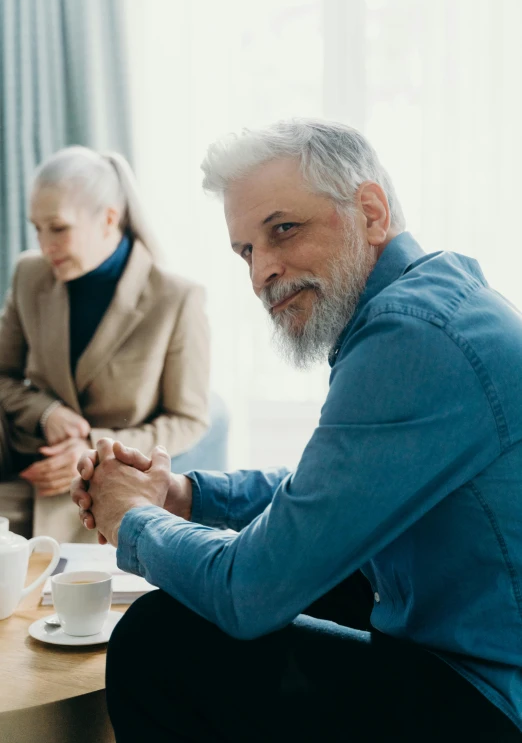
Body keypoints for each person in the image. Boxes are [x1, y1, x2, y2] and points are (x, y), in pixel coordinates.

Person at [72, 120, 522, 741]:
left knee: (163, 638)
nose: (262, 274)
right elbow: (330, 490)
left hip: (492, 701)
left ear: (370, 211)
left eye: (284, 229)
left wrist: (133, 520)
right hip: (469, 648)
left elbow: (247, 593)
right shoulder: (432, 301)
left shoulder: (413, 336)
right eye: (247, 252)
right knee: (304, 569)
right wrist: (188, 496)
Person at [0, 146, 212, 542]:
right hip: (22, 479)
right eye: (37, 228)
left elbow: (189, 419)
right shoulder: (29, 274)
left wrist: (94, 449)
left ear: (109, 219)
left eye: (58, 228)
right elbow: (2, 375)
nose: (45, 246)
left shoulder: (176, 299)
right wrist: (46, 413)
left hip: (104, 495)